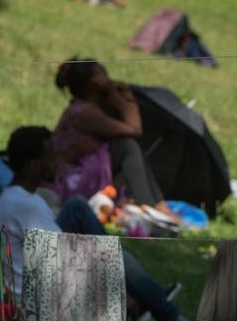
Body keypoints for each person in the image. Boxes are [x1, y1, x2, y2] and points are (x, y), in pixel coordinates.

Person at [0, 125, 215, 321]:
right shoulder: (28, 206)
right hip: (43, 303)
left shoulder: (11, 198)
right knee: (110, 254)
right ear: (34, 165)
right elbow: (63, 264)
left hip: (34, 286)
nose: (57, 162)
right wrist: (115, 286)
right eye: (51, 156)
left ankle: (152, 305)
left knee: (77, 209)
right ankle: (170, 318)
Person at [52, 58, 176, 217]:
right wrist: (119, 97)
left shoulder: (90, 107)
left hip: (87, 171)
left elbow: (133, 126)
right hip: (72, 181)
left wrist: (124, 95)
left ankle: (158, 205)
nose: (110, 79)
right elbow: (135, 129)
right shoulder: (84, 113)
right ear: (94, 83)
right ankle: (151, 208)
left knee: (128, 145)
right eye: (104, 75)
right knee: (127, 145)